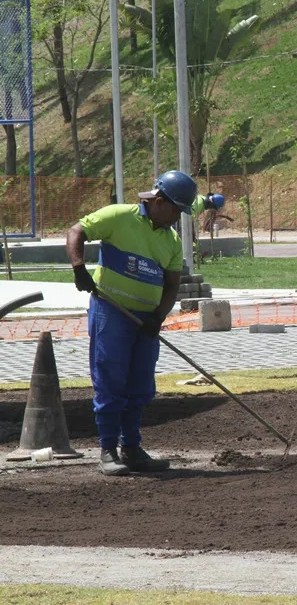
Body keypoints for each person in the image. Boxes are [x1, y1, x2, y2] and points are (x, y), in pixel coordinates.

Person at [66, 170, 198, 476]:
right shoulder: (118, 216)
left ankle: (132, 448)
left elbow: (172, 285)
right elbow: (76, 232)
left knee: (140, 384)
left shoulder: (172, 241)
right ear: (159, 201)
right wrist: (78, 268)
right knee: (110, 379)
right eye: (177, 209)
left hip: (145, 322)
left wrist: (158, 317)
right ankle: (108, 450)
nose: (178, 217)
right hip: (111, 311)